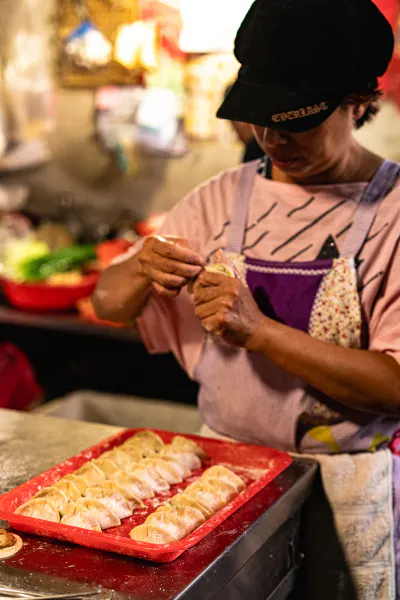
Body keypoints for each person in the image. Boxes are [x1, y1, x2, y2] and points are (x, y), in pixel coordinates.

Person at [94, 0, 400, 596]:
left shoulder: (392, 214)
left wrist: (258, 332)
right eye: (261, 117)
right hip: (224, 475)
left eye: (297, 120)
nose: (272, 138)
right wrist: (139, 270)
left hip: (347, 489)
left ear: (360, 101)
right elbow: (109, 302)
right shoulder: (221, 197)